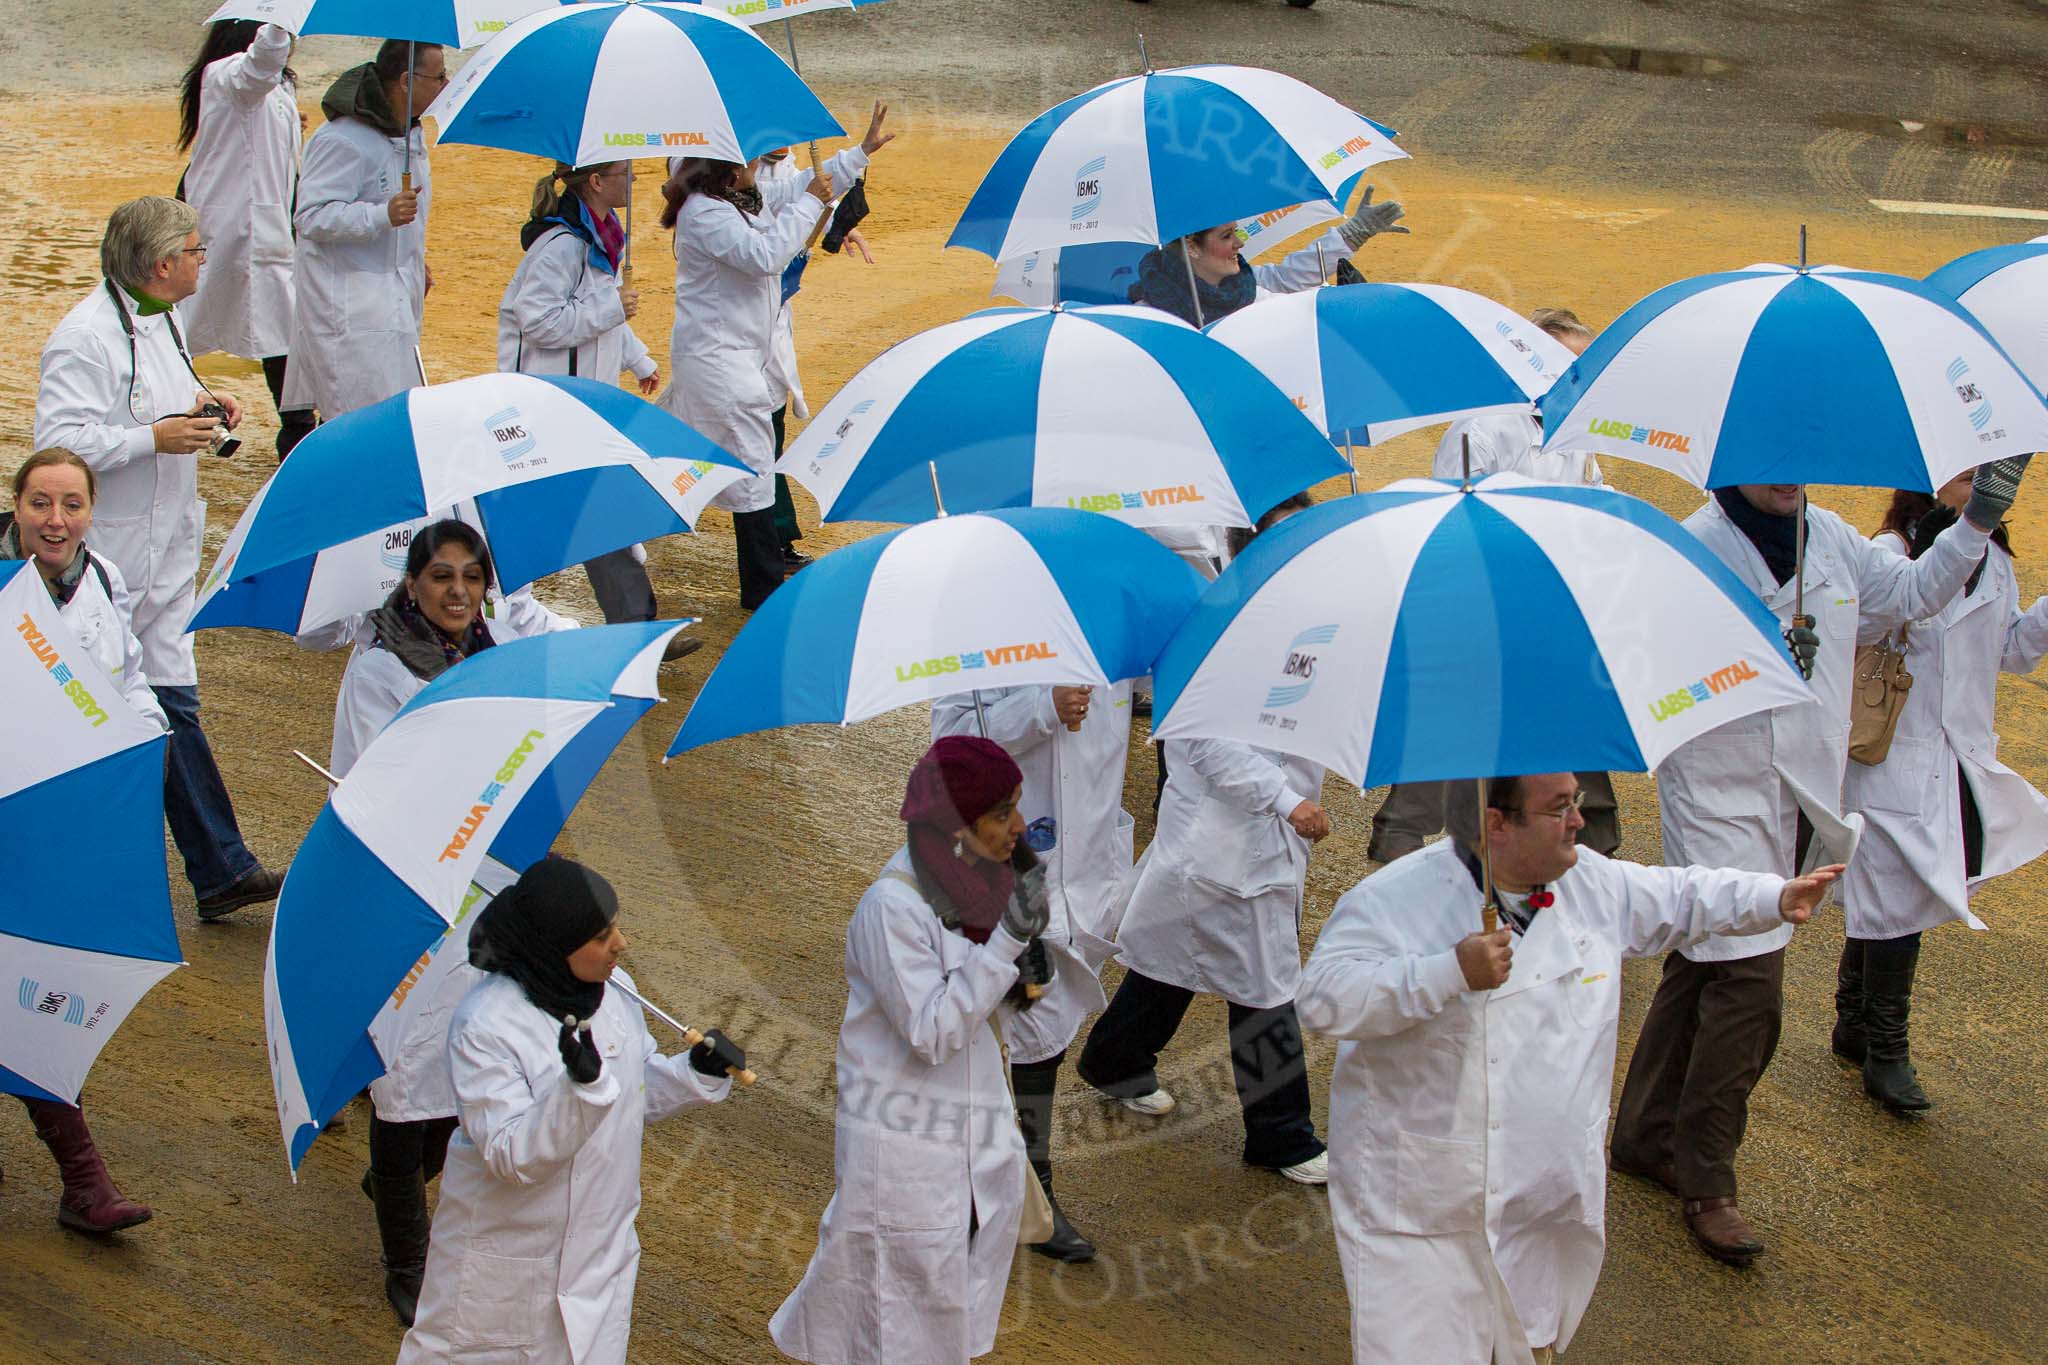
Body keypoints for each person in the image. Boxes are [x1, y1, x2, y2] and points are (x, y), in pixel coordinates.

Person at [1610, 458, 2031, 1264]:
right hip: (1719, 785)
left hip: (1800, 787)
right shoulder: (1691, 551)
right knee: (1749, 981)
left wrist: (1976, 519)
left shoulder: (1834, 538)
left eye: (1797, 458)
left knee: (1702, 960)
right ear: (1728, 462)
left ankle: (1640, 1132)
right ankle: (1707, 1179)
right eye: (1765, 459)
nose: (1786, 476)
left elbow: (1909, 598)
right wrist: (1764, 654)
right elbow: (1652, 677)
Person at [1298, 772, 1844, 1364]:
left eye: (1576, 802)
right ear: (1495, 823)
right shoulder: (1394, 899)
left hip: (1543, 1200)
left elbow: (1680, 896)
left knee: (1530, 1346)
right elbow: (1325, 999)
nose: (1580, 821)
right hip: (1427, 1208)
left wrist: (1773, 898)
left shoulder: (1590, 881)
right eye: (1559, 808)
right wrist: (1446, 973)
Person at [321, 518, 578, 1322]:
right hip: (404, 891)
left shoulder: (498, 650)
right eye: (441, 577)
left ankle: (397, 1181)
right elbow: (384, 789)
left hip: (485, 885)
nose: (458, 592)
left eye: (472, 576)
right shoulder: (380, 669)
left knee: (459, 1066)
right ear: (411, 583)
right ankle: (407, 1256)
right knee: (404, 1075)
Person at [35, 195, 283, 922]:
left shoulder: (161, 317)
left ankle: (218, 866)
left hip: (165, 545)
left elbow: (159, 399)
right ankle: (211, 864)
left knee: (166, 696)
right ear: (161, 264)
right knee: (121, 710)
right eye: (197, 250)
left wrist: (208, 402)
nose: (205, 259)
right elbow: (59, 444)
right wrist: (153, 437)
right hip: (109, 554)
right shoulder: (83, 338)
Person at [1077, 495, 1332, 1185]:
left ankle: (1116, 1057)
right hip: (1225, 840)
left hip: (1257, 845)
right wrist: (1287, 801)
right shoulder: (1212, 628)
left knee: (1180, 956)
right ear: (1250, 550)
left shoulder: (1312, 625)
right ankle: (1281, 1133)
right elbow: (1203, 739)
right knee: (1264, 984)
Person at [398, 858, 744, 1363]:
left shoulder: (615, 993)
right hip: (506, 1275)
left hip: (598, 1265)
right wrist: (577, 1091)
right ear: (557, 945)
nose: (620, 944)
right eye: (603, 935)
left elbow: (628, 1091)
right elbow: (511, 1156)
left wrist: (695, 1072)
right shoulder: (485, 1025)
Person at [771, 737, 1045, 1364]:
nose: (1018, 827)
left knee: (942, 1317)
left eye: (1016, 807)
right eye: (1001, 812)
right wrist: (1007, 947)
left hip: (969, 1140)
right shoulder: (892, 907)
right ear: (956, 823)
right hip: (906, 1152)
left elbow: (994, 1008)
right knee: (889, 1321)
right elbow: (932, 1032)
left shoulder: (978, 887)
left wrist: (1033, 963)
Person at [1836, 472, 2048, 1112]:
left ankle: (1853, 1015)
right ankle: (1886, 1048)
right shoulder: (1889, 552)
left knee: (1895, 887)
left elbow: (2011, 650)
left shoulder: (1996, 557)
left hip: (1958, 752)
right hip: (1894, 752)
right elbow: (1876, 618)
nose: (1985, 482)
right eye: (1967, 472)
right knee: (1905, 890)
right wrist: (1941, 549)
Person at [1374, 307, 1612, 865]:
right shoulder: (1482, 429)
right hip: (1481, 604)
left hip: (1549, 607)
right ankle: (1400, 839)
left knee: (1553, 727)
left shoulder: (1576, 436)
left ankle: (1585, 841)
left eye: (1583, 365)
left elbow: (1593, 507)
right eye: (1564, 362)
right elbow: (1451, 519)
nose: (1576, 376)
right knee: (1457, 724)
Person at [0, 449, 161, 1236]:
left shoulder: (103, 579)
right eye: (39, 503)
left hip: (68, 819)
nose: (55, 520)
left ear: (92, 511)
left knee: (31, 977)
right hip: (10, 807)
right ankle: (84, 1181)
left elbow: (129, 676)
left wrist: (145, 731)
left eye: (70, 504)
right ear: (17, 505)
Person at [932, 678, 1135, 1262]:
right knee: (1018, 1032)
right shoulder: (986, 625)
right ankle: (1024, 1192)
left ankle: (1006, 1183)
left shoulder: (1117, 619)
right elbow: (949, 741)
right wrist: (1039, 708)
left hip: (1089, 867)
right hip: (1004, 862)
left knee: (1046, 1031)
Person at [659, 103, 892, 610]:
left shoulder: (731, 196)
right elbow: (765, 255)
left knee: (709, 464)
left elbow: (798, 185)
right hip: (720, 363)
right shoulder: (705, 211)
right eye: (745, 159)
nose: (756, 166)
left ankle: (755, 583)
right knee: (751, 472)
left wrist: (857, 156)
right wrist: (811, 204)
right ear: (725, 166)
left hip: (733, 356)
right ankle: (762, 591)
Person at [497, 160, 668, 628]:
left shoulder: (598, 238)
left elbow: (601, 319)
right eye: (624, 173)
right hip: (548, 409)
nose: (633, 181)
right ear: (595, 182)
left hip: (578, 404)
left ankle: (637, 625)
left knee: (604, 510)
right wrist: (613, 307)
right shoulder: (561, 247)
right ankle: (501, 613)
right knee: (542, 517)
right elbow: (540, 322)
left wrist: (639, 359)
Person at [284, 39, 443, 424]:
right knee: (358, 420)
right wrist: (380, 215)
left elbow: (403, 218)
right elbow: (310, 217)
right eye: (438, 77)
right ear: (406, 80)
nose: (445, 85)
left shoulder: (408, 135)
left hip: (393, 299)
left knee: (395, 414)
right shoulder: (343, 138)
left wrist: (411, 260)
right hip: (350, 312)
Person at [176, 19, 313, 460]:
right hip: (226, 224)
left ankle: (296, 429)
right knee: (181, 323)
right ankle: (169, 408)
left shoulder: (277, 89)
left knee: (283, 330)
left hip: (264, 226)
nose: (289, 45)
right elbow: (261, 66)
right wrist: (282, 17)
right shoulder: (229, 74)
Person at [756, 146, 874, 575]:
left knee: (770, 427)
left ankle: (776, 536)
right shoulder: (734, 179)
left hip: (772, 316)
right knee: (757, 435)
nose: (788, 145)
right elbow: (789, 201)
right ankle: (769, 542)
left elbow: (804, 191)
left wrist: (837, 223)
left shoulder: (778, 166)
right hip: (746, 324)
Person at [1125, 187, 1406, 329]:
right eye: (1226, 236)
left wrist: (1351, 235)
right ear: (1192, 247)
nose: (1239, 243)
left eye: (1236, 232)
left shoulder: (1245, 288)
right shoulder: (1150, 319)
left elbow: (1286, 280)